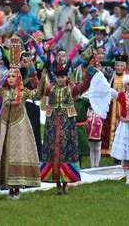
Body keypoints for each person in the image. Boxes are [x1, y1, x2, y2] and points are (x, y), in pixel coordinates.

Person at [0, 37, 45, 200]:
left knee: (18, 154)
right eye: (9, 76)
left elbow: (38, 95)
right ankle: (8, 186)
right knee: (6, 154)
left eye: (13, 76)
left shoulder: (24, 92)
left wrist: (42, 80)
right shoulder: (3, 92)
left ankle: (17, 188)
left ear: (18, 78)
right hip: (5, 127)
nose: (11, 78)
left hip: (20, 127)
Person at [40, 61, 93, 194]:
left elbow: (83, 87)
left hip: (67, 124)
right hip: (52, 125)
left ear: (67, 78)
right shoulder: (51, 89)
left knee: (66, 151)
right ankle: (57, 183)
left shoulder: (71, 90)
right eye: (58, 77)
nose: (60, 79)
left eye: (62, 77)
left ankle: (65, 182)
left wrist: (89, 73)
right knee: (53, 151)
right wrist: (36, 75)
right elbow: (38, 87)